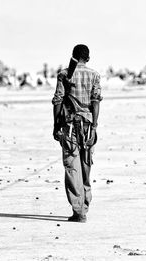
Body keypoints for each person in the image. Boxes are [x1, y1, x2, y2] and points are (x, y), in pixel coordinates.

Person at [51, 44, 102, 223]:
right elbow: (96, 102)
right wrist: (94, 127)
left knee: (73, 167)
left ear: (73, 56)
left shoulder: (64, 75)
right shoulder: (94, 75)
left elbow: (58, 101)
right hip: (88, 127)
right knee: (86, 166)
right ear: (87, 58)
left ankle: (79, 211)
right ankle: (84, 205)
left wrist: (55, 126)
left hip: (70, 126)